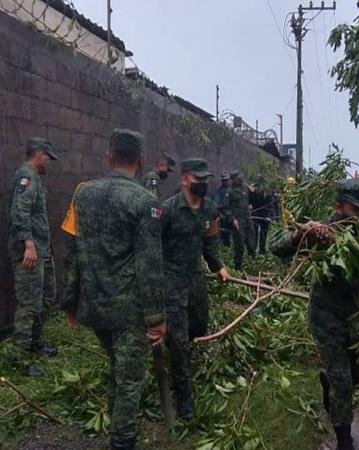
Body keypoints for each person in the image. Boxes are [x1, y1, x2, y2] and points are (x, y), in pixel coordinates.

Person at [62, 129, 166, 450]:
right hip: (129, 313)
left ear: (109, 156)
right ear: (140, 160)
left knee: (117, 370)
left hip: (94, 307)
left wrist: (70, 301)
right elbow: (149, 265)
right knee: (130, 382)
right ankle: (122, 443)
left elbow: (72, 250)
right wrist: (156, 318)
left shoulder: (83, 194)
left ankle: (115, 432)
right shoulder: (145, 202)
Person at [270, 179, 359, 450]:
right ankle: (345, 442)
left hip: (355, 315)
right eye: (358, 209)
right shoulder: (320, 232)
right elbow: (275, 247)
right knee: (343, 386)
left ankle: (327, 380)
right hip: (326, 318)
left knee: (354, 378)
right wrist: (300, 235)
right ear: (339, 206)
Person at [160, 158, 229, 420]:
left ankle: (181, 352)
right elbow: (152, 245)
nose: (204, 183)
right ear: (185, 178)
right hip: (172, 281)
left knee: (199, 325)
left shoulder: (209, 208)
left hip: (196, 279)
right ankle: (183, 394)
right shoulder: (168, 210)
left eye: (206, 179)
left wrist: (218, 266)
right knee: (178, 340)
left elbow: (210, 241)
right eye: (198, 179)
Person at [7, 137, 60, 376]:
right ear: (39, 154)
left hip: (42, 251)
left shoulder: (36, 179)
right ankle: (20, 359)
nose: (48, 161)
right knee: (28, 306)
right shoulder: (25, 177)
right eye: (48, 156)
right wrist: (28, 243)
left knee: (46, 298)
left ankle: (36, 343)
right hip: (29, 252)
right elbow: (20, 211)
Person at [221, 170, 255, 269]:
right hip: (238, 222)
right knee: (239, 245)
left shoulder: (245, 188)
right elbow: (225, 208)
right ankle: (238, 266)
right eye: (238, 178)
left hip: (248, 219)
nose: (241, 179)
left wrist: (250, 206)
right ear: (233, 180)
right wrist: (232, 219)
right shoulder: (229, 192)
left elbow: (249, 199)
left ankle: (253, 264)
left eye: (241, 177)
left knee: (251, 242)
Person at [215, 171, 232, 246]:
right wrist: (220, 214)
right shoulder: (219, 191)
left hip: (233, 216)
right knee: (224, 235)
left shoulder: (233, 190)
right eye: (223, 180)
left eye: (226, 180)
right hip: (224, 216)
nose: (225, 182)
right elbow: (216, 204)